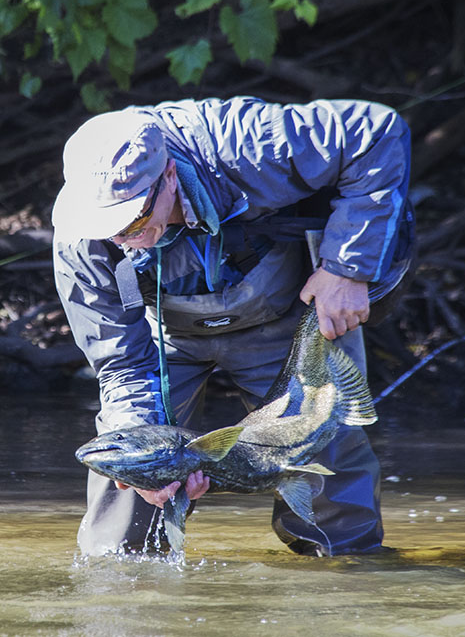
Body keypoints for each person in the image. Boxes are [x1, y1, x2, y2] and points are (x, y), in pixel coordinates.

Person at [52, 97, 412, 556]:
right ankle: (124, 594)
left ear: (168, 176)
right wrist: (142, 461)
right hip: (165, 337)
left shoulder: (249, 145)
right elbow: (122, 363)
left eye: (133, 222)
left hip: (286, 314)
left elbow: (376, 131)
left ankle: (349, 584)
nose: (119, 239)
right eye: (107, 229)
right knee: (124, 483)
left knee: (327, 458)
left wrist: (347, 268)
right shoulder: (79, 237)